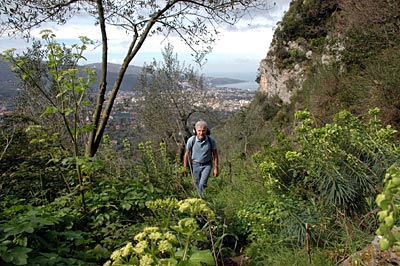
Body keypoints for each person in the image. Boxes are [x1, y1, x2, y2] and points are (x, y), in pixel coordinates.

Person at [183, 120, 219, 198]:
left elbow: (215, 154)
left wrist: (216, 168)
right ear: (195, 131)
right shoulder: (191, 140)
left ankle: (202, 200)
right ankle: (197, 200)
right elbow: (186, 154)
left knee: (202, 184)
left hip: (207, 165)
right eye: (199, 131)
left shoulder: (210, 140)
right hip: (195, 165)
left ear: (206, 130)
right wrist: (185, 169)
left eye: (203, 131)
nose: (201, 133)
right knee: (196, 184)